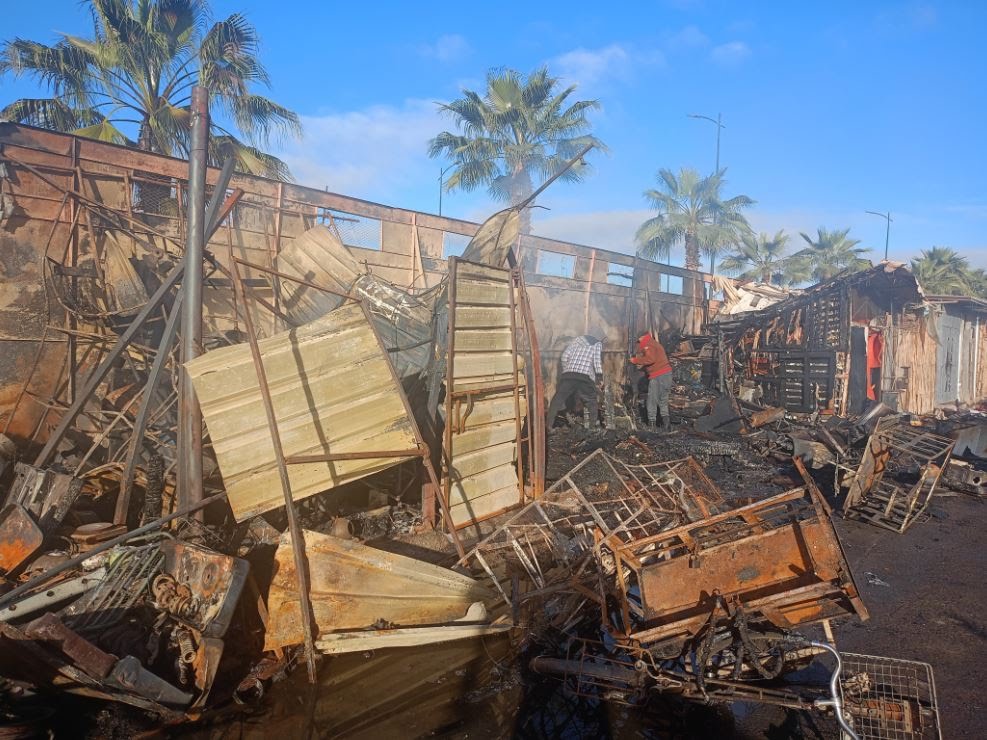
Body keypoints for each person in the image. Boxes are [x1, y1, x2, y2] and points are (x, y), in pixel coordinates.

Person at [546, 335, 603, 429]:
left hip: (568, 375)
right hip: (585, 376)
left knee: (557, 400)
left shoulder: (576, 341)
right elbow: (597, 362)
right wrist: (599, 377)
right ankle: (592, 428)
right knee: (591, 401)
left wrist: (567, 370)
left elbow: (564, 357)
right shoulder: (597, 344)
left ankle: (548, 426)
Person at [630, 332, 673, 433]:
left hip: (658, 376)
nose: (638, 342)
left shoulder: (648, 344)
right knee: (663, 401)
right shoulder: (654, 343)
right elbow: (654, 361)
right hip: (667, 374)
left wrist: (635, 360)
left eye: (639, 340)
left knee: (651, 400)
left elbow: (650, 359)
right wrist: (643, 367)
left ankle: (652, 426)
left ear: (642, 337)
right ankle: (667, 426)